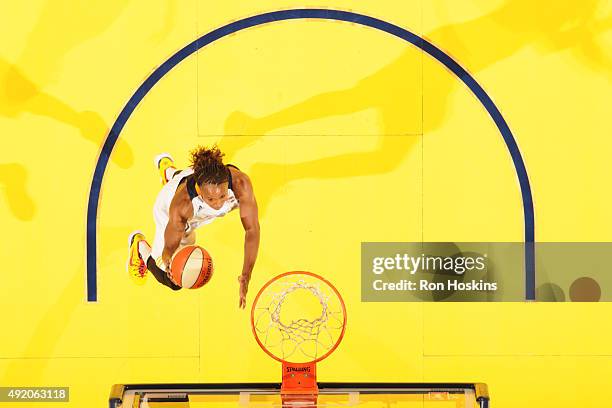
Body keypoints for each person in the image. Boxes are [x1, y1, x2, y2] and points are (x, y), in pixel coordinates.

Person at [127, 145, 260, 308]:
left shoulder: (240, 182)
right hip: (173, 214)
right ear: (199, 190)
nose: (218, 203)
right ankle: (139, 245)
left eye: (223, 195)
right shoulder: (181, 206)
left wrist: (246, 276)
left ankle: (170, 173)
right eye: (211, 199)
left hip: (192, 186)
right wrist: (168, 259)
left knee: (194, 176)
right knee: (172, 281)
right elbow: (169, 247)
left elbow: (252, 230)